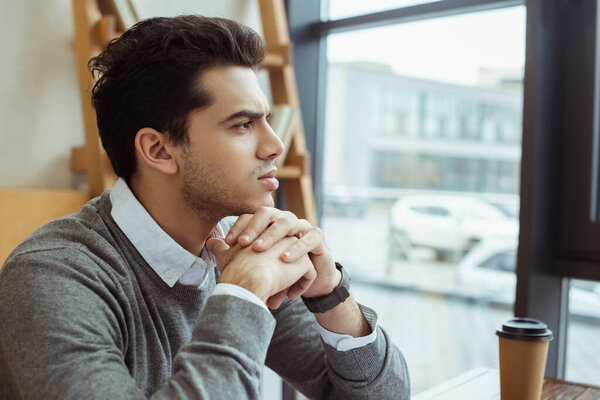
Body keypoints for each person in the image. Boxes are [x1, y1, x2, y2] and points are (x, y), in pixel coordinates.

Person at [0, 15, 410, 399]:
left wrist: (329, 294)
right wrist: (243, 292)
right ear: (159, 150)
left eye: (266, 120)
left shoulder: (238, 247)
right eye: (243, 124)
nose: (275, 145)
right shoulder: (50, 277)